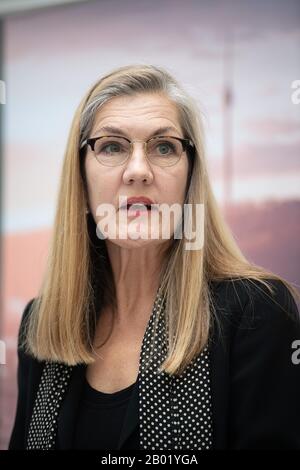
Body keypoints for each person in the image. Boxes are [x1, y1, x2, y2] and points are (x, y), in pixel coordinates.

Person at [8, 64, 300, 450]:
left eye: (164, 147)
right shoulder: (42, 324)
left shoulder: (258, 313)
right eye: (112, 146)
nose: (138, 171)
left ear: (189, 176)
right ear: (80, 176)